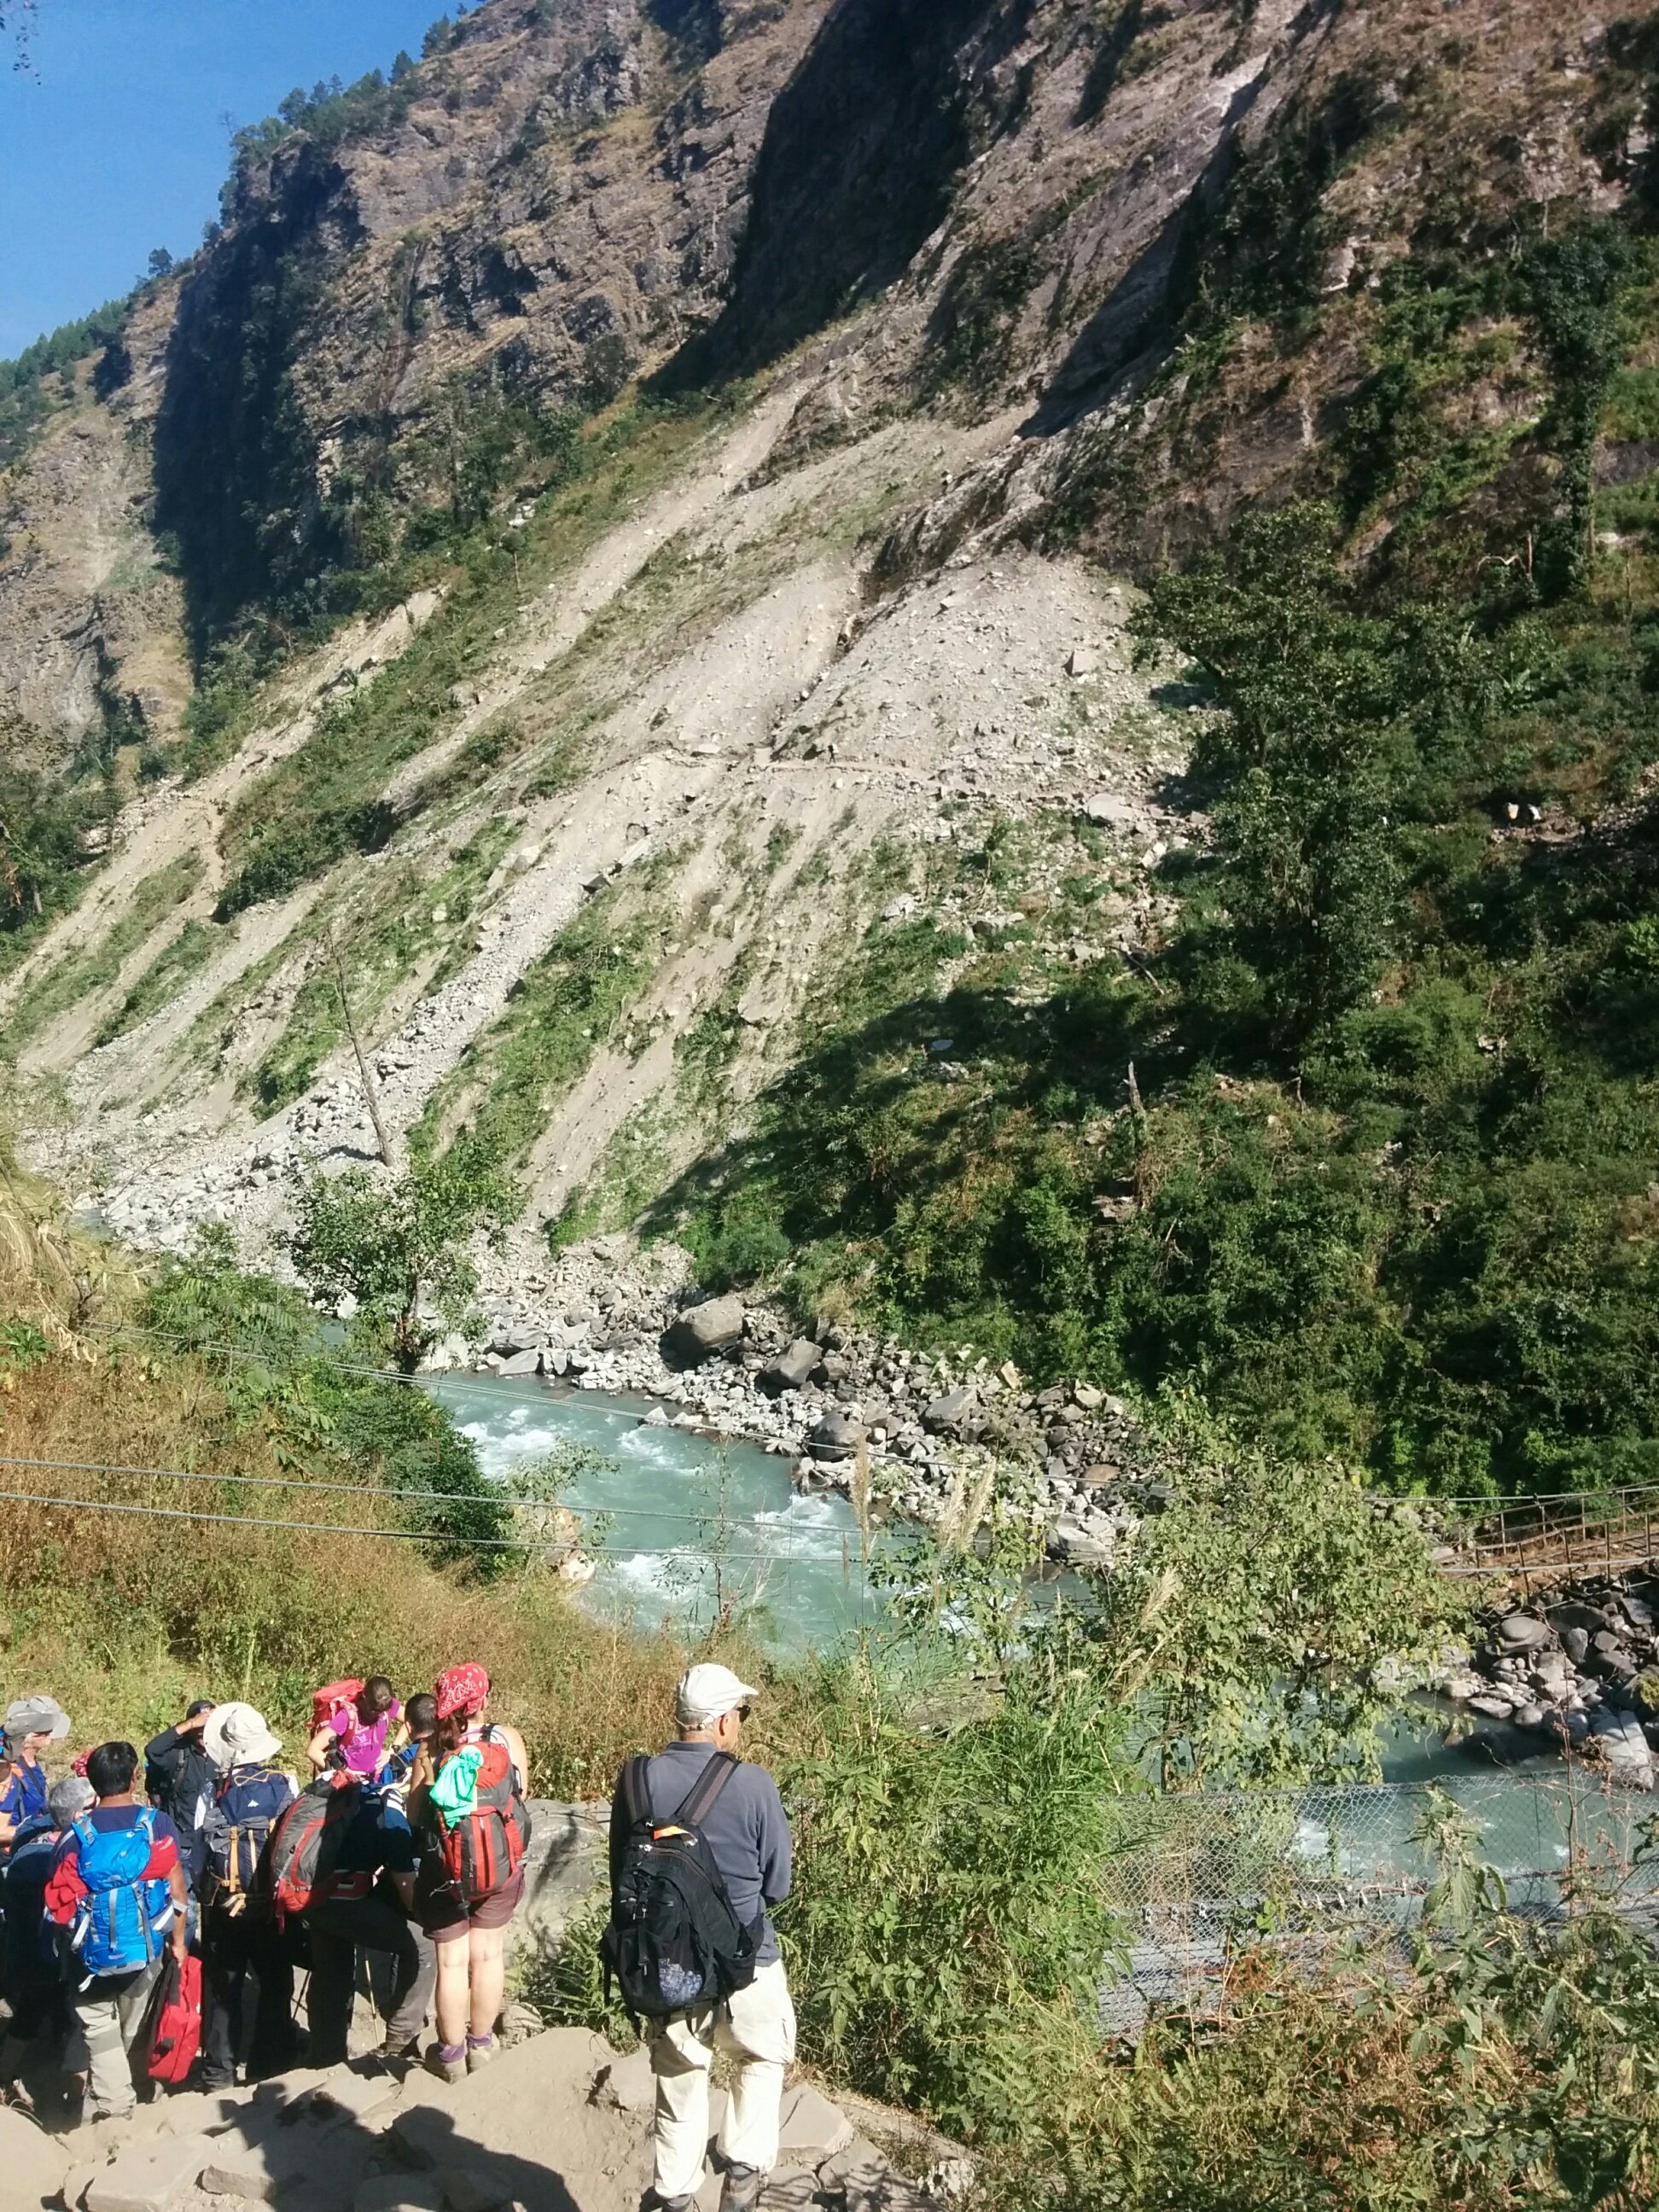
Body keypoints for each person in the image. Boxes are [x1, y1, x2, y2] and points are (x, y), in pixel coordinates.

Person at [611, 1664, 795, 2212]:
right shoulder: (753, 1783)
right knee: (761, 2057)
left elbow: (621, 1867)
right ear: (719, 1722)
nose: (740, 1722)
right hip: (746, 1958)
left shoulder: (636, 1778)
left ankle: (674, 2194)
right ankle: (741, 2174)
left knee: (681, 2082)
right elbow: (778, 1883)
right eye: (740, 1712)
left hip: (666, 1962)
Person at [46, 1741, 189, 2124]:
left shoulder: (74, 1836)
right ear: (134, 1777)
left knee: (96, 2025)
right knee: (126, 2027)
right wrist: (178, 1942)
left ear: (91, 1783)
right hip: (143, 1949)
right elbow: (177, 1891)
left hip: (87, 1958)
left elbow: (59, 1904)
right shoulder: (156, 1824)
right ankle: (113, 2101)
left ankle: (103, 2100)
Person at [415, 1664, 530, 2082]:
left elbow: (415, 1814)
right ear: (482, 1701)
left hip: (445, 1872)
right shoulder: (506, 1739)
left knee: (451, 1963)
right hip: (499, 1870)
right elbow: (519, 1797)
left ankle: (450, 2055)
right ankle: (481, 2045)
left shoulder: (431, 1748)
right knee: (488, 1955)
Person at [197, 1703, 299, 2088]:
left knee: (225, 1986)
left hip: (225, 1905)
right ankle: (268, 2065)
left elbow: (201, 1848)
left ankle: (218, 2072)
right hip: (272, 1904)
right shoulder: (284, 1783)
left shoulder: (214, 1790)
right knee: (275, 1981)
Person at [302, 1778, 434, 2066]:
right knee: (424, 1945)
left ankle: (326, 2055)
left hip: (309, 1897)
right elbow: (408, 1890)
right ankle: (401, 2039)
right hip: (346, 1902)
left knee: (331, 1972)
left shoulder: (349, 1799)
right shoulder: (393, 1816)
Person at [0, 1774, 95, 2084]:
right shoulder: (78, 1856)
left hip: (29, 1950)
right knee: (71, 2014)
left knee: (30, 2013)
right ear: (80, 1814)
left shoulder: (29, 1842)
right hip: (59, 1952)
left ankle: (7, 2074)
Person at [144, 1700, 217, 1890]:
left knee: (216, 1904)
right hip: (185, 1843)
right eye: (199, 1728)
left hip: (216, 1842)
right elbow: (152, 1750)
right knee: (187, 1907)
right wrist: (191, 1724)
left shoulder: (224, 1755)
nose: (203, 1732)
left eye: (208, 1727)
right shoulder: (178, 1755)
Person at [0, 1697, 72, 1855]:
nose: (50, 1736)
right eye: (47, 1733)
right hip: (9, 1855)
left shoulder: (30, 1761)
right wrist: (41, 1832)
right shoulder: (8, 1772)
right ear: (31, 1737)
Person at [308, 1677, 405, 1784]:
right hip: (348, 1785)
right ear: (364, 1695)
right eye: (373, 1710)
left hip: (376, 1781)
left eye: (382, 1711)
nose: (377, 1714)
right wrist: (343, 1773)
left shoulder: (385, 1704)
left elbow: (410, 1721)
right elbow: (313, 1750)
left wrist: (392, 1750)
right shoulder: (347, 1716)